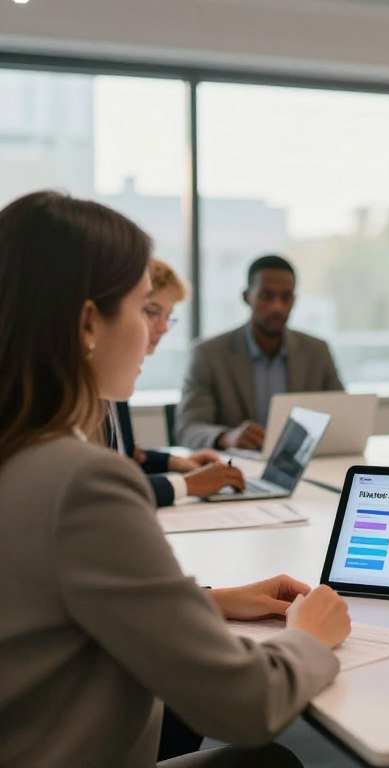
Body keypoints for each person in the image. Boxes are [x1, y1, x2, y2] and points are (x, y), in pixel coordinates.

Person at [0, 191, 352, 767]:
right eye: (145, 309)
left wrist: (210, 602)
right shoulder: (81, 481)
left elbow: (59, 606)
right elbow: (246, 707)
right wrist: (308, 636)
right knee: (267, 761)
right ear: (89, 324)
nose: (154, 331)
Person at [110, 258, 244, 506]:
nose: (162, 328)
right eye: (151, 312)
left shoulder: (118, 379)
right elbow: (109, 488)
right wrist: (190, 484)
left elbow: (126, 457)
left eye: (168, 316)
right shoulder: (105, 381)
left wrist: (178, 463)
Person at [175, 254, 343, 451]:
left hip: (301, 467)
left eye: (286, 297)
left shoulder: (317, 352)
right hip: (237, 468)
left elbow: (341, 419)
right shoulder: (209, 354)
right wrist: (226, 437)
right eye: (267, 296)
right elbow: (188, 429)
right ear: (247, 297)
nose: (277, 307)